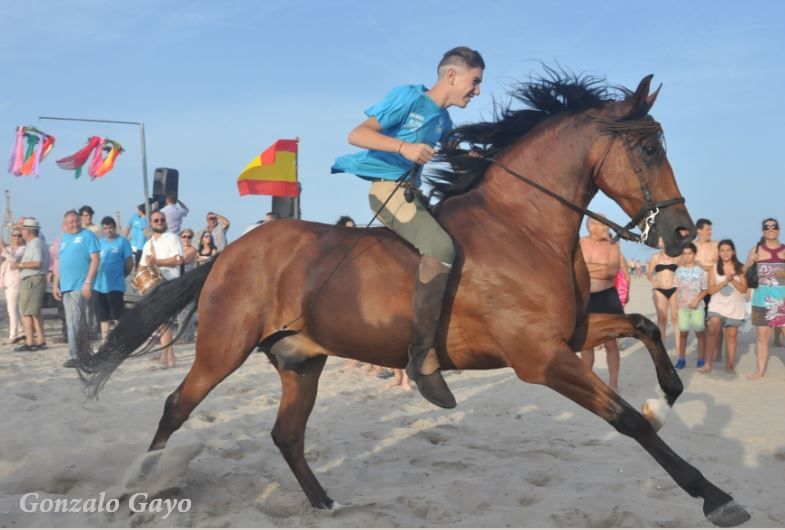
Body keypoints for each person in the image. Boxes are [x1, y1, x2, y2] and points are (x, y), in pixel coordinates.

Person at [330, 46, 485, 409]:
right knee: (442, 249)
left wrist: (470, 157)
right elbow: (356, 134)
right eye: (474, 82)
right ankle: (420, 356)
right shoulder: (408, 97)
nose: (477, 91)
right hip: (387, 191)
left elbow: (447, 152)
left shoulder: (445, 123)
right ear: (451, 76)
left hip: (414, 194)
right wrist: (403, 147)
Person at [579, 217, 628, 391]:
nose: (607, 226)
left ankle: (613, 383)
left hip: (608, 297)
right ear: (591, 227)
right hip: (585, 298)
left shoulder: (613, 244)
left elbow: (612, 271)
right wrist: (598, 268)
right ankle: (587, 381)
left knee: (611, 343)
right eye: (603, 224)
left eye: (607, 223)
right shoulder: (580, 243)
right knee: (586, 344)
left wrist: (588, 267)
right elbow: (576, 268)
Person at [53, 210, 100, 368]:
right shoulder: (64, 239)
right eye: (71, 222)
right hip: (66, 286)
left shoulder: (88, 236)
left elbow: (95, 260)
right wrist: (55, 285)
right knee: (75, 321)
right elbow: (59, 263)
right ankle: (83, 352)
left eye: (77, 221)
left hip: (80, 285)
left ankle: (75, 355)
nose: (75, 224)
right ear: (65, 224)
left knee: (74, 321)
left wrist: (88, 282)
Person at [744, 218, 785, 379]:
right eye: (767, 227)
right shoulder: (756, 250)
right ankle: (760, 371)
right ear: (763, 231)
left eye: (774, 227)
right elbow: (745, 271)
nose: (770, 229)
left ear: (778, 230)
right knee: (762, 337)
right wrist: (749, 262)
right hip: (761, 300)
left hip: (782, 300)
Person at [141, 211, 183, 368]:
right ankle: (170, 357)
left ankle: (165, 358)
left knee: (164, 321)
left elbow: (179, 259)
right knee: (162, 322)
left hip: (169, 283)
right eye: (156, 220)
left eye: (162, 219)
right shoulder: (148, 243)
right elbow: (142, 265)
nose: (160, 222)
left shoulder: (172, 237)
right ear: (150, 223)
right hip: (154, 284)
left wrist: (157, 261)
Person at [699, 239, 747, 374]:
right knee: (713, 327)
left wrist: (732, 279)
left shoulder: (740, 268)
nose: (725, 253)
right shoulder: (714, 269)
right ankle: (708, 364)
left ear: (733, 252)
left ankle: (730, 366)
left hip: (735, 308)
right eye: (722, 251)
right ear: (718, 253)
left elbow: (743, 289)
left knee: (731, 336)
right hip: (717, 306)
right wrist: (725, 282)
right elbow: (711, 290)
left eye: (728, 250)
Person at [94, 216, 133, 341]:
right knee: (103, 316)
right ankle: (105, 341)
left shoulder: (123, 242)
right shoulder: (100, 243)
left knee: (117, 315)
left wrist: (122, 275)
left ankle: (119, 340)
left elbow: (129, 262)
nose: (108, 231)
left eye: (110, 228)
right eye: (105, 228)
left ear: (114, 228)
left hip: (115, 285)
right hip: (99, 285)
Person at [13, 218, 49, 352]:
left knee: (26, 312)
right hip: (36, 279)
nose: (21, 232)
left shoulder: (34, 244)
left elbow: (37, 263)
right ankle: (40, 340)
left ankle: (30, 342)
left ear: (28, 230)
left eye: (22, 229)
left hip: (32, 280)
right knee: (35, 312)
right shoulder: (39, 242)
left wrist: (19, 265)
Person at [673, 243, 708, 369]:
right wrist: (675, 308)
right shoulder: (678, 271)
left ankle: (701, 358)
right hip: (683, 307)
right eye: (685, 254)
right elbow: (676, 290)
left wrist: (696, 300)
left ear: (694, 254)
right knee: (683, 332)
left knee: (700, 332)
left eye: (690, 253)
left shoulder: (701, 272)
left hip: (697, 307)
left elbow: (705, 290)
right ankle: (681, 358)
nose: (687, 256)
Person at [647, 238, 681, 354]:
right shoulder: (655, 257)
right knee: (662, 318)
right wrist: (653, 281)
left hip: (674, 289)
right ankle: (662, 347)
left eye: (664, 239)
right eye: (660, 240)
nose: (662, 242)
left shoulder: (677, 256)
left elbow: (683, 271)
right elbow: (649, 274)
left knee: (675, 317)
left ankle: (678, 346)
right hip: (660, 290)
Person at [0, 226, 26, 344]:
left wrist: (3, 249)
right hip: (7, 281)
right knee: (16, 308)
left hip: (15, 281)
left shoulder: (23, 249)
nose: (16, 238)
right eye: (14, 235)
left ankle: (13, 334)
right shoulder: (9, 248)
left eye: (19, 235)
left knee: (12, 309)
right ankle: (20, 331)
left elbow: (13, 261)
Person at [177, 228, 198, 341]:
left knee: (187, 310)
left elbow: (182, 261)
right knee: (181, 312)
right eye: (184, 236)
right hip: (179, 281)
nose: (186, 239)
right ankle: (183, 335)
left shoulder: (192, 250)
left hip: (189, 282)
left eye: (189, 237)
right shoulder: (177, 250)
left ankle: (187, 336)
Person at [125, 203, 149, 269]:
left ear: (141, 211)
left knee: (139, 266)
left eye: (138, 210)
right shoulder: (134, 216)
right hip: (133, 245)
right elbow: (128, 227)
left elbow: (146, 231)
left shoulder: (145, 219)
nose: (137, 212)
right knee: (130, 263)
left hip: (142, 247)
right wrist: (124, 238)